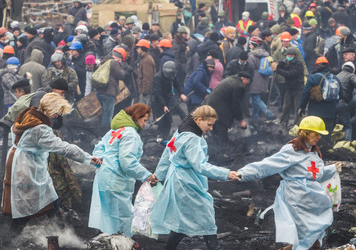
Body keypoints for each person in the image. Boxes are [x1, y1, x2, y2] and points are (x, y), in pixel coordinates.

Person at [237, 116, 342, 250]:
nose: (319, 137)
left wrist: (332, 169)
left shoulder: (313, 152)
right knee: (305, 230)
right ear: (305, 133)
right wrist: (243, 173)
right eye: (316, 134)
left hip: (313, 197)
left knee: (316, 229)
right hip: (296, 197)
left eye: (319, 134)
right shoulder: (291, 150)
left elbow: (314, 175)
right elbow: (267, 165)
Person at [2, 93, 102, 227]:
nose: (56, 116)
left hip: (20, 161)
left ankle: (57, 231)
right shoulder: (40, 129)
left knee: (47, 197)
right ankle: (11, 238)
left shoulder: (29, 115)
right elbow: (62, 148)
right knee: (27, 202)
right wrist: (87, 158)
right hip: (26, 166)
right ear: (49, 109)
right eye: (56, 113)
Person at [150, 106, 241, 250]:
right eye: (209, 124)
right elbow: (201, 166)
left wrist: (159, 175)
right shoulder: (193, 138)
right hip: (187, 182)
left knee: (185, 218)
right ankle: (214, 247)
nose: (211, 128)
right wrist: (226, 173)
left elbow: (168, 152)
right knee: (205, 213)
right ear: (199, 120)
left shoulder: (181, 130)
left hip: (178, 180)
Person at [88, 103, 157, 236]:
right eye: (144, 120)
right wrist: (146, 175)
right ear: (137, 117)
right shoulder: (131, 134)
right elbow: (127, 162)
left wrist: (101, 159)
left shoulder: (115, 130)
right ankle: (122, 244)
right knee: (122, 217)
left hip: (103, 178)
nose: (144, 124)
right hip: (116, 181)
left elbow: (99, 147)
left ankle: (107, 242)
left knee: (107, 216)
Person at [299, 57, 342, 146]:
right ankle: (325, 150)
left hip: (315, 111)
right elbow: (341, 95)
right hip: (330, 112)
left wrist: (302, 107)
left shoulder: (313, 78)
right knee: (327, 133)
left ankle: (314, 150)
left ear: (316, 66)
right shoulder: (335, 78)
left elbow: (305, 94)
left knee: (313, 133)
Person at [205, 72, 250, 145]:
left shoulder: (232, 78)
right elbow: (236, 104)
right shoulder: (239, 86)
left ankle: (215, 146)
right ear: (242, 79)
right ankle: (223, 150)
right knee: (222, 128)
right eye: (247, 81)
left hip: (210, 104)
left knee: (215, 128)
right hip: (218, 108)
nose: (247, 84)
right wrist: (241, 120)